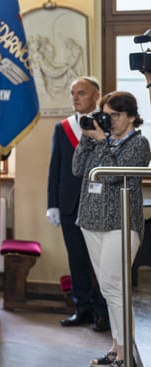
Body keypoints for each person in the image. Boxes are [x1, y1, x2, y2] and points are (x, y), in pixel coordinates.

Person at [74, 91, 151, 367]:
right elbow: (77, 168)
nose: (111, 121)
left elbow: (110, 174)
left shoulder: (139, 143)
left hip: (121, 223)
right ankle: (117, 348)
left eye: (115, 116)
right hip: (92, 221)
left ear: (131, 116)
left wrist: (102, 141)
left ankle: (126, 356)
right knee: (109, 289)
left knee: (116, 287)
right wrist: (87, 138)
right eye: (107, 114)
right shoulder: (101, 139)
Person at [47, 77, 109, 331]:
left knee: (102, 262)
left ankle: (103, 312)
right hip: (70, 203)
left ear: (96, 96)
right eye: (72, 93)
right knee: (77, 259)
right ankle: (81, 307)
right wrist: (53, 204)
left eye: (81, 93)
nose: (75, 97)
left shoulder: (107, 123)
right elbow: (56, 168)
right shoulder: (63, 127)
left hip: (100, 203)